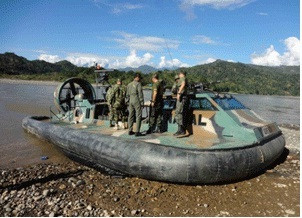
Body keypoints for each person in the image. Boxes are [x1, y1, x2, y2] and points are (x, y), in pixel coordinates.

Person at [174, 71, 188, 136]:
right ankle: (181, 130)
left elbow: (183, 84)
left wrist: (179, 93)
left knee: (178, 113)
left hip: (182, 98)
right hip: (182, 98)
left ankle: (181, 130)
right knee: (179, 113)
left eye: (179, 74)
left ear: (180, 74)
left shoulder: (182, 78)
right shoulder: (182, 78)